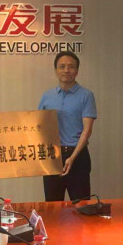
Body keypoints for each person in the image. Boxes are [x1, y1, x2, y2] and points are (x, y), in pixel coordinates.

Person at [38, 51, 97, 202]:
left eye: (71, 67)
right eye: (62, 66)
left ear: (77, 71)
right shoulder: (47, 96)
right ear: (56, 70)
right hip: (53, 157)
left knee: (81, 205)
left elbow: (87, 130)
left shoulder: (86, 95)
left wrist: (72, 157)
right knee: (53, 205)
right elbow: (38, 126)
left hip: (77, 155)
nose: (66, 70)